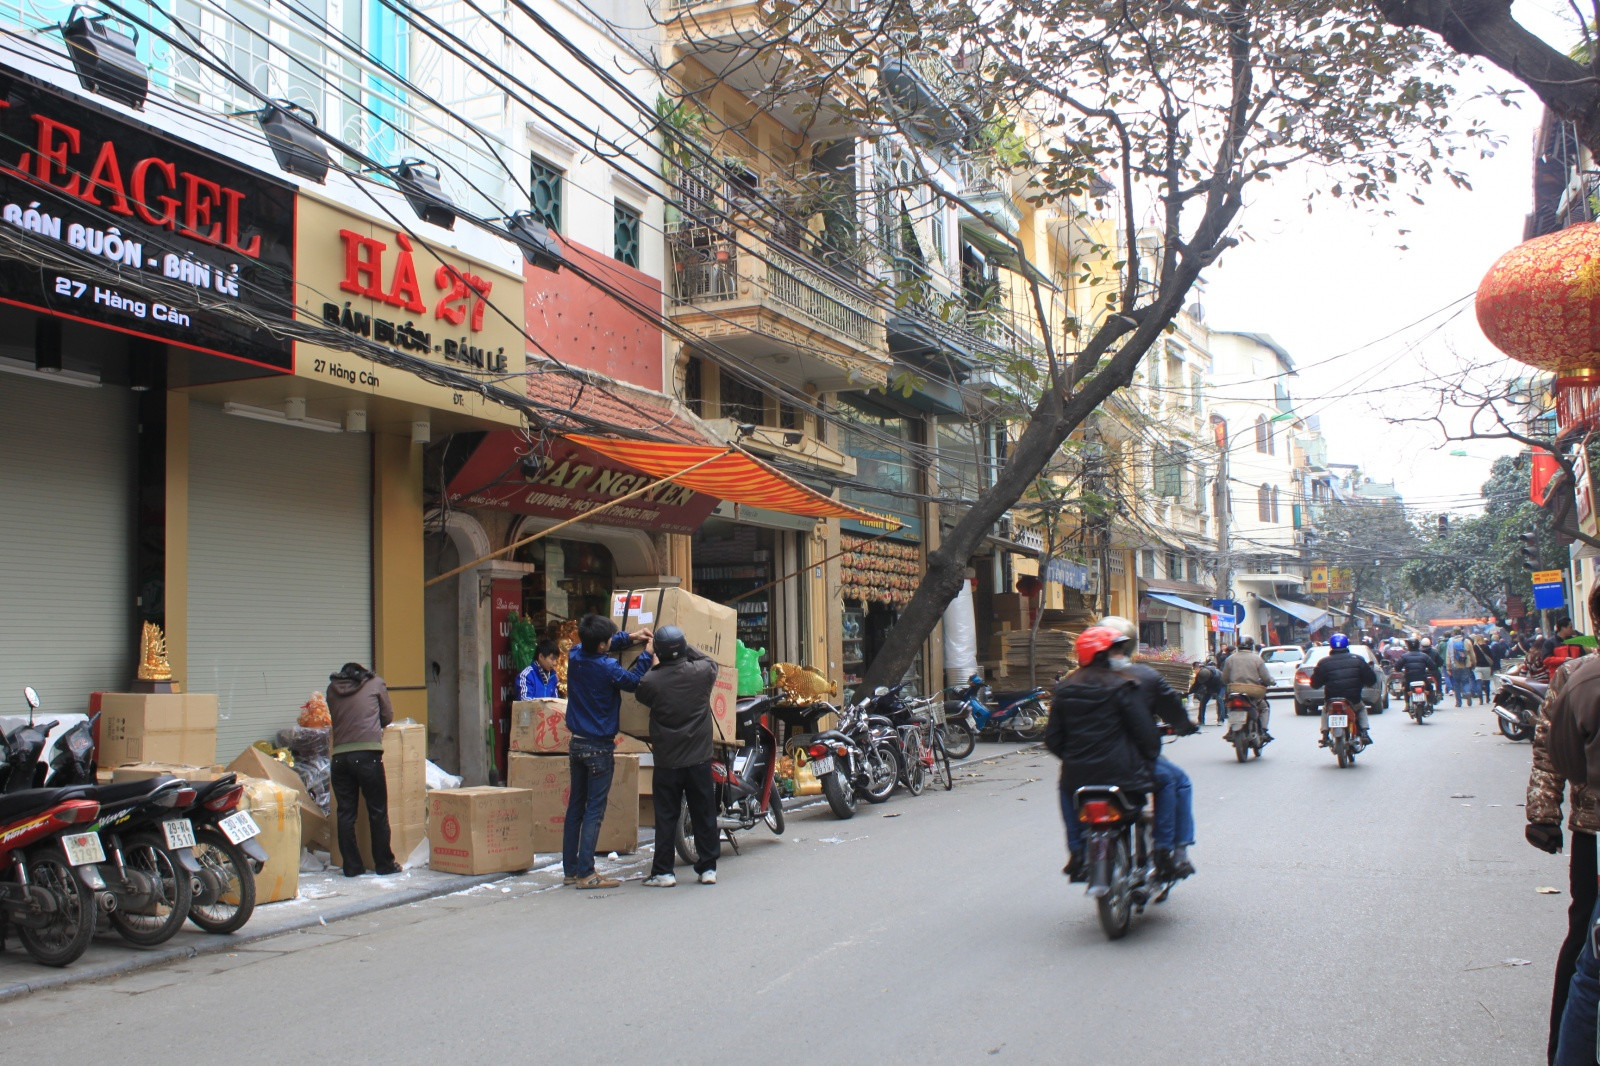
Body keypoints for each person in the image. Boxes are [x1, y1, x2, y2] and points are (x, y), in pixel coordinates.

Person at [1530, 585, 1600, 1064]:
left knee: (1585, 945)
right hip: (1591, 832)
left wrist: (1544, 814)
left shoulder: (1576, 675)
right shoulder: (1576, 675)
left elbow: (1550, 752)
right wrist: (1543, 812)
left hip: (1591, 831)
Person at [1046, 627, 1167, 880]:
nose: (1120, 655)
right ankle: (1165, 851)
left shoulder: (1065, 689)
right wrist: (1149, 754)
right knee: (1168, 783)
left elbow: (1053, 739)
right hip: (1123, 774)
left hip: (1077, 775)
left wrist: (1072, 759)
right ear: (1104, 656)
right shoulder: (1124, 686)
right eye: (1116, 650)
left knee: (1065, 790)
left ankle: (1077, 851)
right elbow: (1146, 734)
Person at [1097, 615, 1200, 877]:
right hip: (1133, 761)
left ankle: (1077, 851)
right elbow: (1174, 712)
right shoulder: (1144, 676)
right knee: (1177, 781)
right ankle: (1169, 849)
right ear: (1128, 645)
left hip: (1084, 765)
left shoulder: (1075, 682)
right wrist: (1184, 726)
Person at [563, 614, 653, 890]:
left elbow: (606, 646)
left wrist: (631, 637)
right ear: (602, 646)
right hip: (599, 747)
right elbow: (633, 681)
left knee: (576, 807)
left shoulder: (575, 655)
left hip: (576, 743)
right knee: (594, 810)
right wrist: (647, 654)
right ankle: (587, 874)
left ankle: (571, 870)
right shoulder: (607, 668)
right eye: (610, 640)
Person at [635, 626, 721, 888]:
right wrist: (684, 647)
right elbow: (709, 661)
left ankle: (664, 872)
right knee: (704, 813)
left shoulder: (651, 681)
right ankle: (707, 868)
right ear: (683, 648)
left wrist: (651, 656)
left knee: (666, 817)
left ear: (659, 651)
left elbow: (638, 688)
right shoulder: (702, 672)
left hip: (667, 761)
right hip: (699, 758)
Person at [326, 661, 400, 878]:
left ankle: (351, 866)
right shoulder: (376, 683)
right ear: (364, 673)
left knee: (345, 813)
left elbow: (336, 716)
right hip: (368, 755)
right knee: (377, 811)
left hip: (339, 757)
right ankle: (384, 864)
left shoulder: (332, 689)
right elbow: (387, 717)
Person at [1311, 633, 1378, 746]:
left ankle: (1325, 734)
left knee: (1325, 710)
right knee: (1361, 708)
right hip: (1353, 699)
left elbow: (1315, 683)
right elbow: (1371, 679)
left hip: (1331, 700)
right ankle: (1364, 733)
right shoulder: (1358, 660)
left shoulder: (1323, 663)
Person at [1220, 636, 1275, 743]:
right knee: (1264, 708)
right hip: (1252, 691)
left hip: (1234, 691)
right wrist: (1271, 682)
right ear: (1251, 646)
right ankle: (1263, 730)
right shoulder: (1257, 659)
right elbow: (1266, 678)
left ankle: (1231, 729)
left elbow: (1224, 678)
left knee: (1230, 708)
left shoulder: (1230, 659)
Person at [1396, 637, 1441, 705]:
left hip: (1409, 679)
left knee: (1405, 689)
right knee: (1430, 688)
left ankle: (1407, 705)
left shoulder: (1404, 656)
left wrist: (1400, 670)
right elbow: (1432, 666)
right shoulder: (1424, 656)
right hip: (1422, 678)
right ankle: (1431, 702)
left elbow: (1397, 667)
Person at [1187, 660, 1222, 726]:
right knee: (1203, 702)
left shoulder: (1217, 676)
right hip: (1209, 686)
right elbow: (1195, 686)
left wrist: (1215, 693)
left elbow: (1218, 687)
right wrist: (1188, 693)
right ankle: (1201, 721)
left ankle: (1221, 720)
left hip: (1220, 684)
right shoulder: (1200, 675)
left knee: (1219, 700)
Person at [1471, 635, 1495, 705]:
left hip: (1478, 667)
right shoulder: (1486, 646)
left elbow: (1472, 657)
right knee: (1487, 683)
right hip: (1486, 667)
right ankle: (1487, 698)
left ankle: (1480, 699)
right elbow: (1491, 656)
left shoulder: (1474, 647)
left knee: (1479, 682)